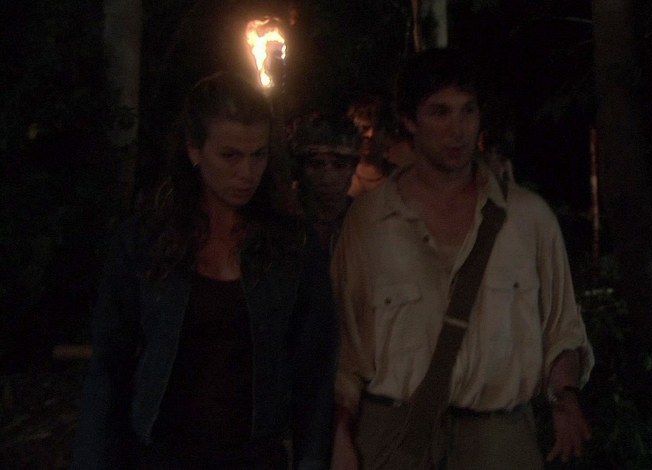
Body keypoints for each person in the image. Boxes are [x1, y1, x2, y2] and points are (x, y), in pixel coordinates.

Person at [330, 48, 594, 470]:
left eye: (468, 111)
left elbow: (562, 329)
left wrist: (566, 398)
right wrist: (340, 433)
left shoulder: (528, 219)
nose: (457, 130)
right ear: (410, 121)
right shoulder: (370, 221)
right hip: (396, 434)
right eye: (440, 112)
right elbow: (345, 346)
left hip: (498, 437)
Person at [72, 71, 337, 470]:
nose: (247, 173)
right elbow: (110, 365)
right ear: (195, 150)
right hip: (160, 453)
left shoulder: (292, 247)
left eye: (258, 155)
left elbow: (314, 371)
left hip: (254, 456)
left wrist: (311, 458)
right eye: (230, 156)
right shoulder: (146, 240)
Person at [290, 113, 361, 255]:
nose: (327, 179)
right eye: (316, 165)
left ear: (353, 168)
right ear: (300, 168)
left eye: (339, 165)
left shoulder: (363, 220)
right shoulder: (280, 221)